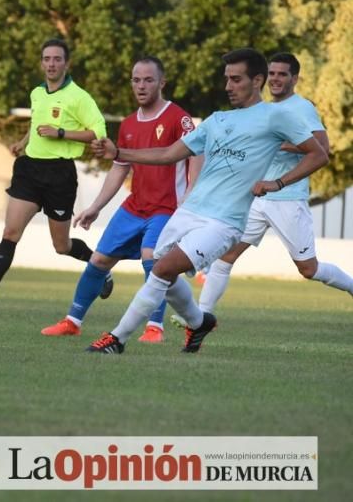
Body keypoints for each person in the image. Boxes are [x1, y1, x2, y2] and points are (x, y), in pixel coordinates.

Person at [86, 48, 328, 354]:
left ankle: (116, 339)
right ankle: (199, 322)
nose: (228, 86)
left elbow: (319, 153)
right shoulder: (217, 120)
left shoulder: (276, 116)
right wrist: (118, 153)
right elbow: (167, 154)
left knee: (161, 271)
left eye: (236, 79)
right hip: (189, 211)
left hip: (224, 222)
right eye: (226, 79)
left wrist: (277, 183)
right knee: (163, 268)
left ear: (257, 80)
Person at [173, 52, 353, 318]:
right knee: (225, 258)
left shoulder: (301, 108)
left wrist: (278, 157)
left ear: (295, 78)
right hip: (255, 199)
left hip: (287, 198)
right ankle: (200, 320)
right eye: (273, 74)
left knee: (308, 270)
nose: (276, 79)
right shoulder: (262, 109)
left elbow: (322, 150)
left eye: (283, 74)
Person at [41, 56, 200, 342]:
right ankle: (72, 321)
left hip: (167, 208)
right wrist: (95, 207)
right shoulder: (127, 124)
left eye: (148, 80)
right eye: (136, 80)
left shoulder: (180, 118)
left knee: (154, 259)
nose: (141, 86)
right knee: (100, 260)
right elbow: (119, 167)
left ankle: (154, 327)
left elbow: (198, 151)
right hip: (135, 206)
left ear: (162, 83)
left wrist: (191, 193)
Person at [0, 38, 107, 316]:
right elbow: (36, 124)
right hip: (29, 169)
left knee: (61, 246)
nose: (51, 64)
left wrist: (62, 133)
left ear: (66, 63)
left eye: (57, 59)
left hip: (60, 174)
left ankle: (99, 266)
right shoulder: (37, 93)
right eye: (46, 59)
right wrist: (22, 142)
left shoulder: (79, 97)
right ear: (41, 63)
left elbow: (98, 132)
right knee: (10, 232)